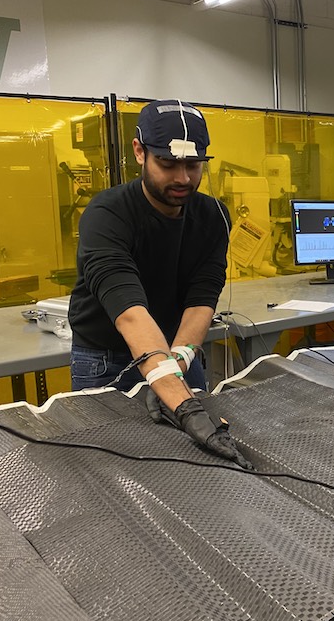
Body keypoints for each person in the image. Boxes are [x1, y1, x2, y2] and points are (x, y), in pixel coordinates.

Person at [68, 99, 249, 467]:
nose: (183, 178)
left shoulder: (213, 216)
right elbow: (129, 312)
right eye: (168, 164)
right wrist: (184, 407)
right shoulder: (107, 214)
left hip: (178, 348)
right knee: (112, 463)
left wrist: (174, 366)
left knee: (195, 464)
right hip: (108, 356)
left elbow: (202, 297)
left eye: (194, 165)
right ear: (139, 152)